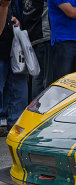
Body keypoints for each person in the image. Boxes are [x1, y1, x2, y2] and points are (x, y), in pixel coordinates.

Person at [0, 0, 28, 136]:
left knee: (18, 88)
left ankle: (15, 124)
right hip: (4, 48)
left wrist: (16, 22)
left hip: (15, 47)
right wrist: (4, 8)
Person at [22, 0, 53, 101]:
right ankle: (41, 108)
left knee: (37, 76)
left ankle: (36, 107)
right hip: (44, 36)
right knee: (44, 78)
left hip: (32, 37)